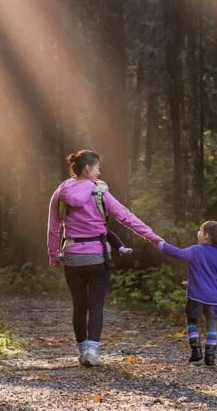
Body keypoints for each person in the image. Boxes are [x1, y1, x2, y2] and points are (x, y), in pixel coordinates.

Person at [47, 150, 162, 367]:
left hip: (72, 256)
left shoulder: (60, 192)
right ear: (88, 168)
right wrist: (153, 237)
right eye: (97, 167)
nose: (99, 172)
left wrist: (54, 255)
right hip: (98, 256)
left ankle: (82, 352)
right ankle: (92, 352)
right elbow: (126, 217)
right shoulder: (99, 192)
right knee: (96, 305)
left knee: (79, 305)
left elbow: (53, 228)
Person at [157, 221, 217, 366]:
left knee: (192, 321)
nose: (197, 232)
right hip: (215, 299)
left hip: (196, 296)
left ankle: (196, 350)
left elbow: (177, 252)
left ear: (205, 235)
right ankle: (210, 356)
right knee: (212, 325)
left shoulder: (196, 251)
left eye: (200, 230)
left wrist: (161, 244)